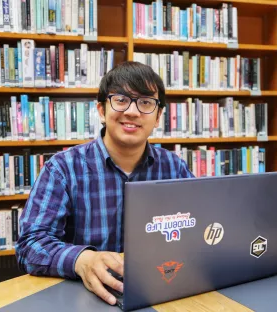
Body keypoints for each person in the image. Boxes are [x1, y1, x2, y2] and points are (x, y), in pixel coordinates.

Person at [15, 61, 194, 306]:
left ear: (159, 115)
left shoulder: (174, 168)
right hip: (82, 298)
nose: (132, 112)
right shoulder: (63, 168)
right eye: (121, 99)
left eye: (145, 102)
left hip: (160, 292)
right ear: (101, 110)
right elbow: (30, 244)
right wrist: (80, 260)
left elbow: (197, 230)